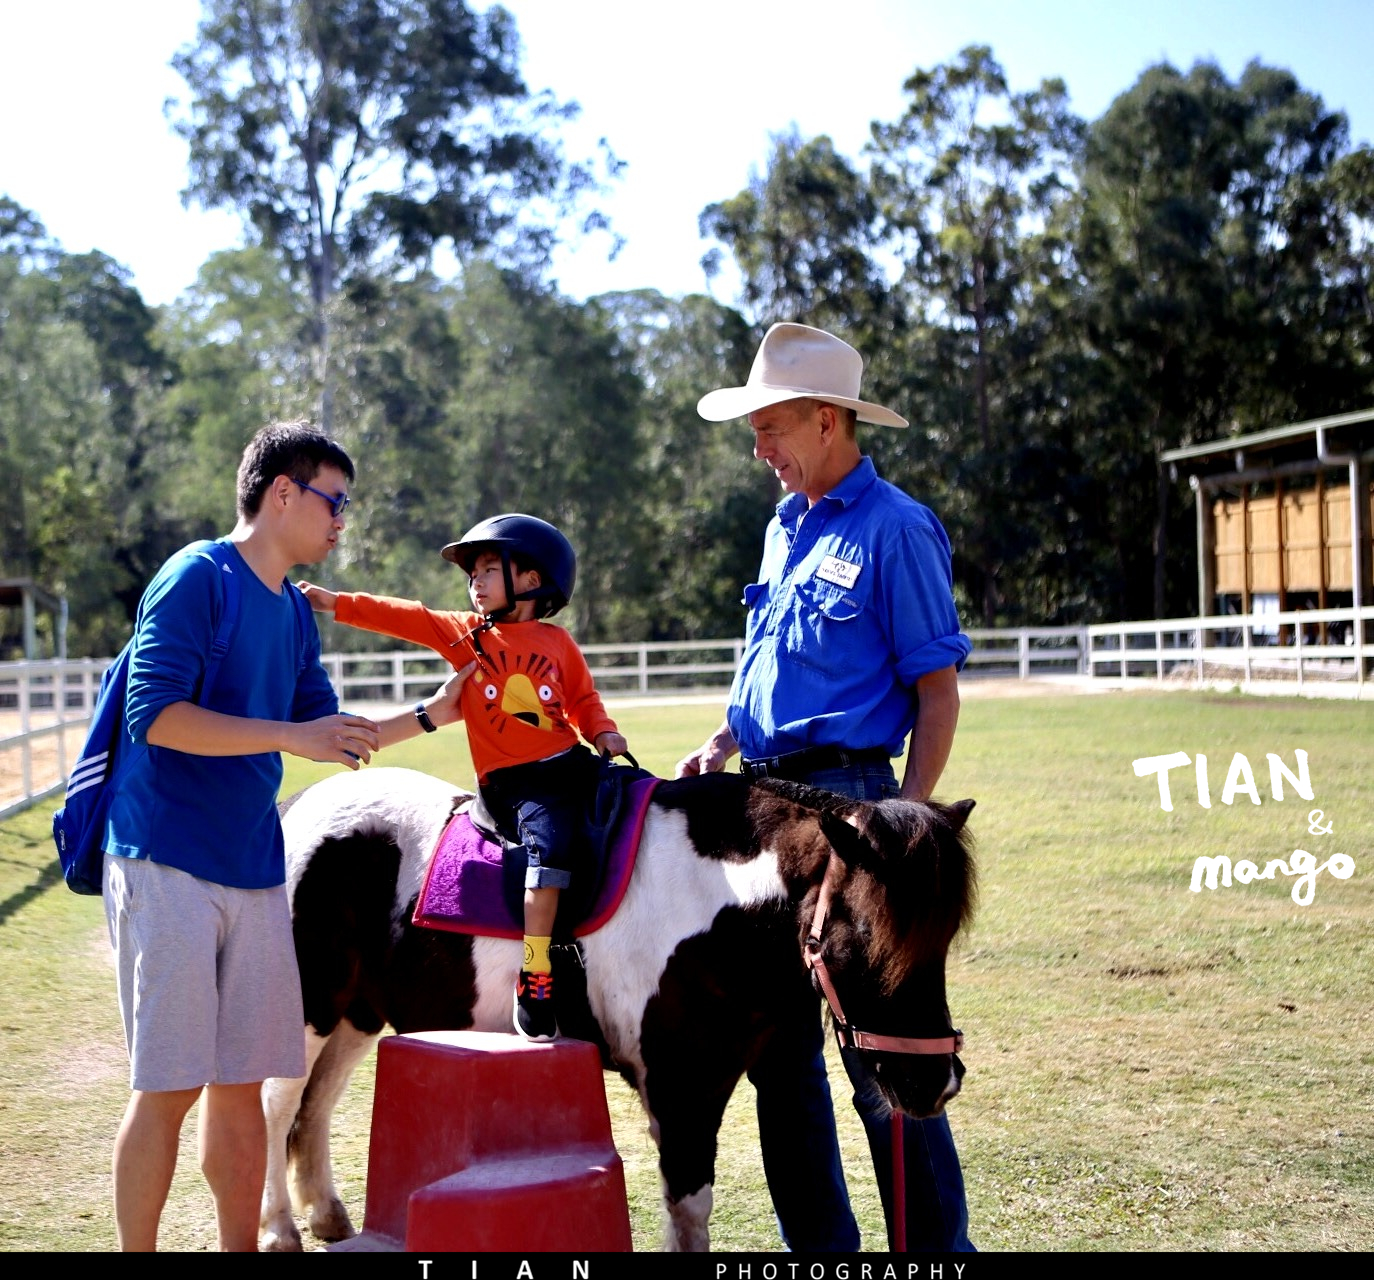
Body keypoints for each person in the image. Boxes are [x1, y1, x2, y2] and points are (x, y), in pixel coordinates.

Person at [103, 420, 468, 1251]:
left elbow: (327, 732)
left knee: (241, 1088)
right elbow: (155, 717)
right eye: (334, 502)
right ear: (280, 494)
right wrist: (285, 734)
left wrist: (428, 716)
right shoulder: (197, 577)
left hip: (255, 868)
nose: (343, 521)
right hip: (164, 860)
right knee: (169, 1089)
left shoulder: (295, 617)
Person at [676, 322, 975, 1253]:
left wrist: (903, 827)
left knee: (882, 1053)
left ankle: (935, 1253)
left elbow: (936, 690)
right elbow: (780, 665)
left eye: (770, 427)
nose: (758, 449)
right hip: (762, 814)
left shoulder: (897, 530)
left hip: (853, 810)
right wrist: (727, 736)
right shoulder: (781, 526)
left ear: (827, 421)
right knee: (779, 1062)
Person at [299, 512, 629, 1043]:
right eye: (471, 573)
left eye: (486, 570)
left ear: (530, 580)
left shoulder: (560, 644)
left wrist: (604, 731)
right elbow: (405, 616)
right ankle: (536, 973)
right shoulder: (467, 636)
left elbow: (584, 700)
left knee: (633, 809)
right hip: (516, 787)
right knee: (548, 857)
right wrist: (335, 603)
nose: (474, 581)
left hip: (568, 761)